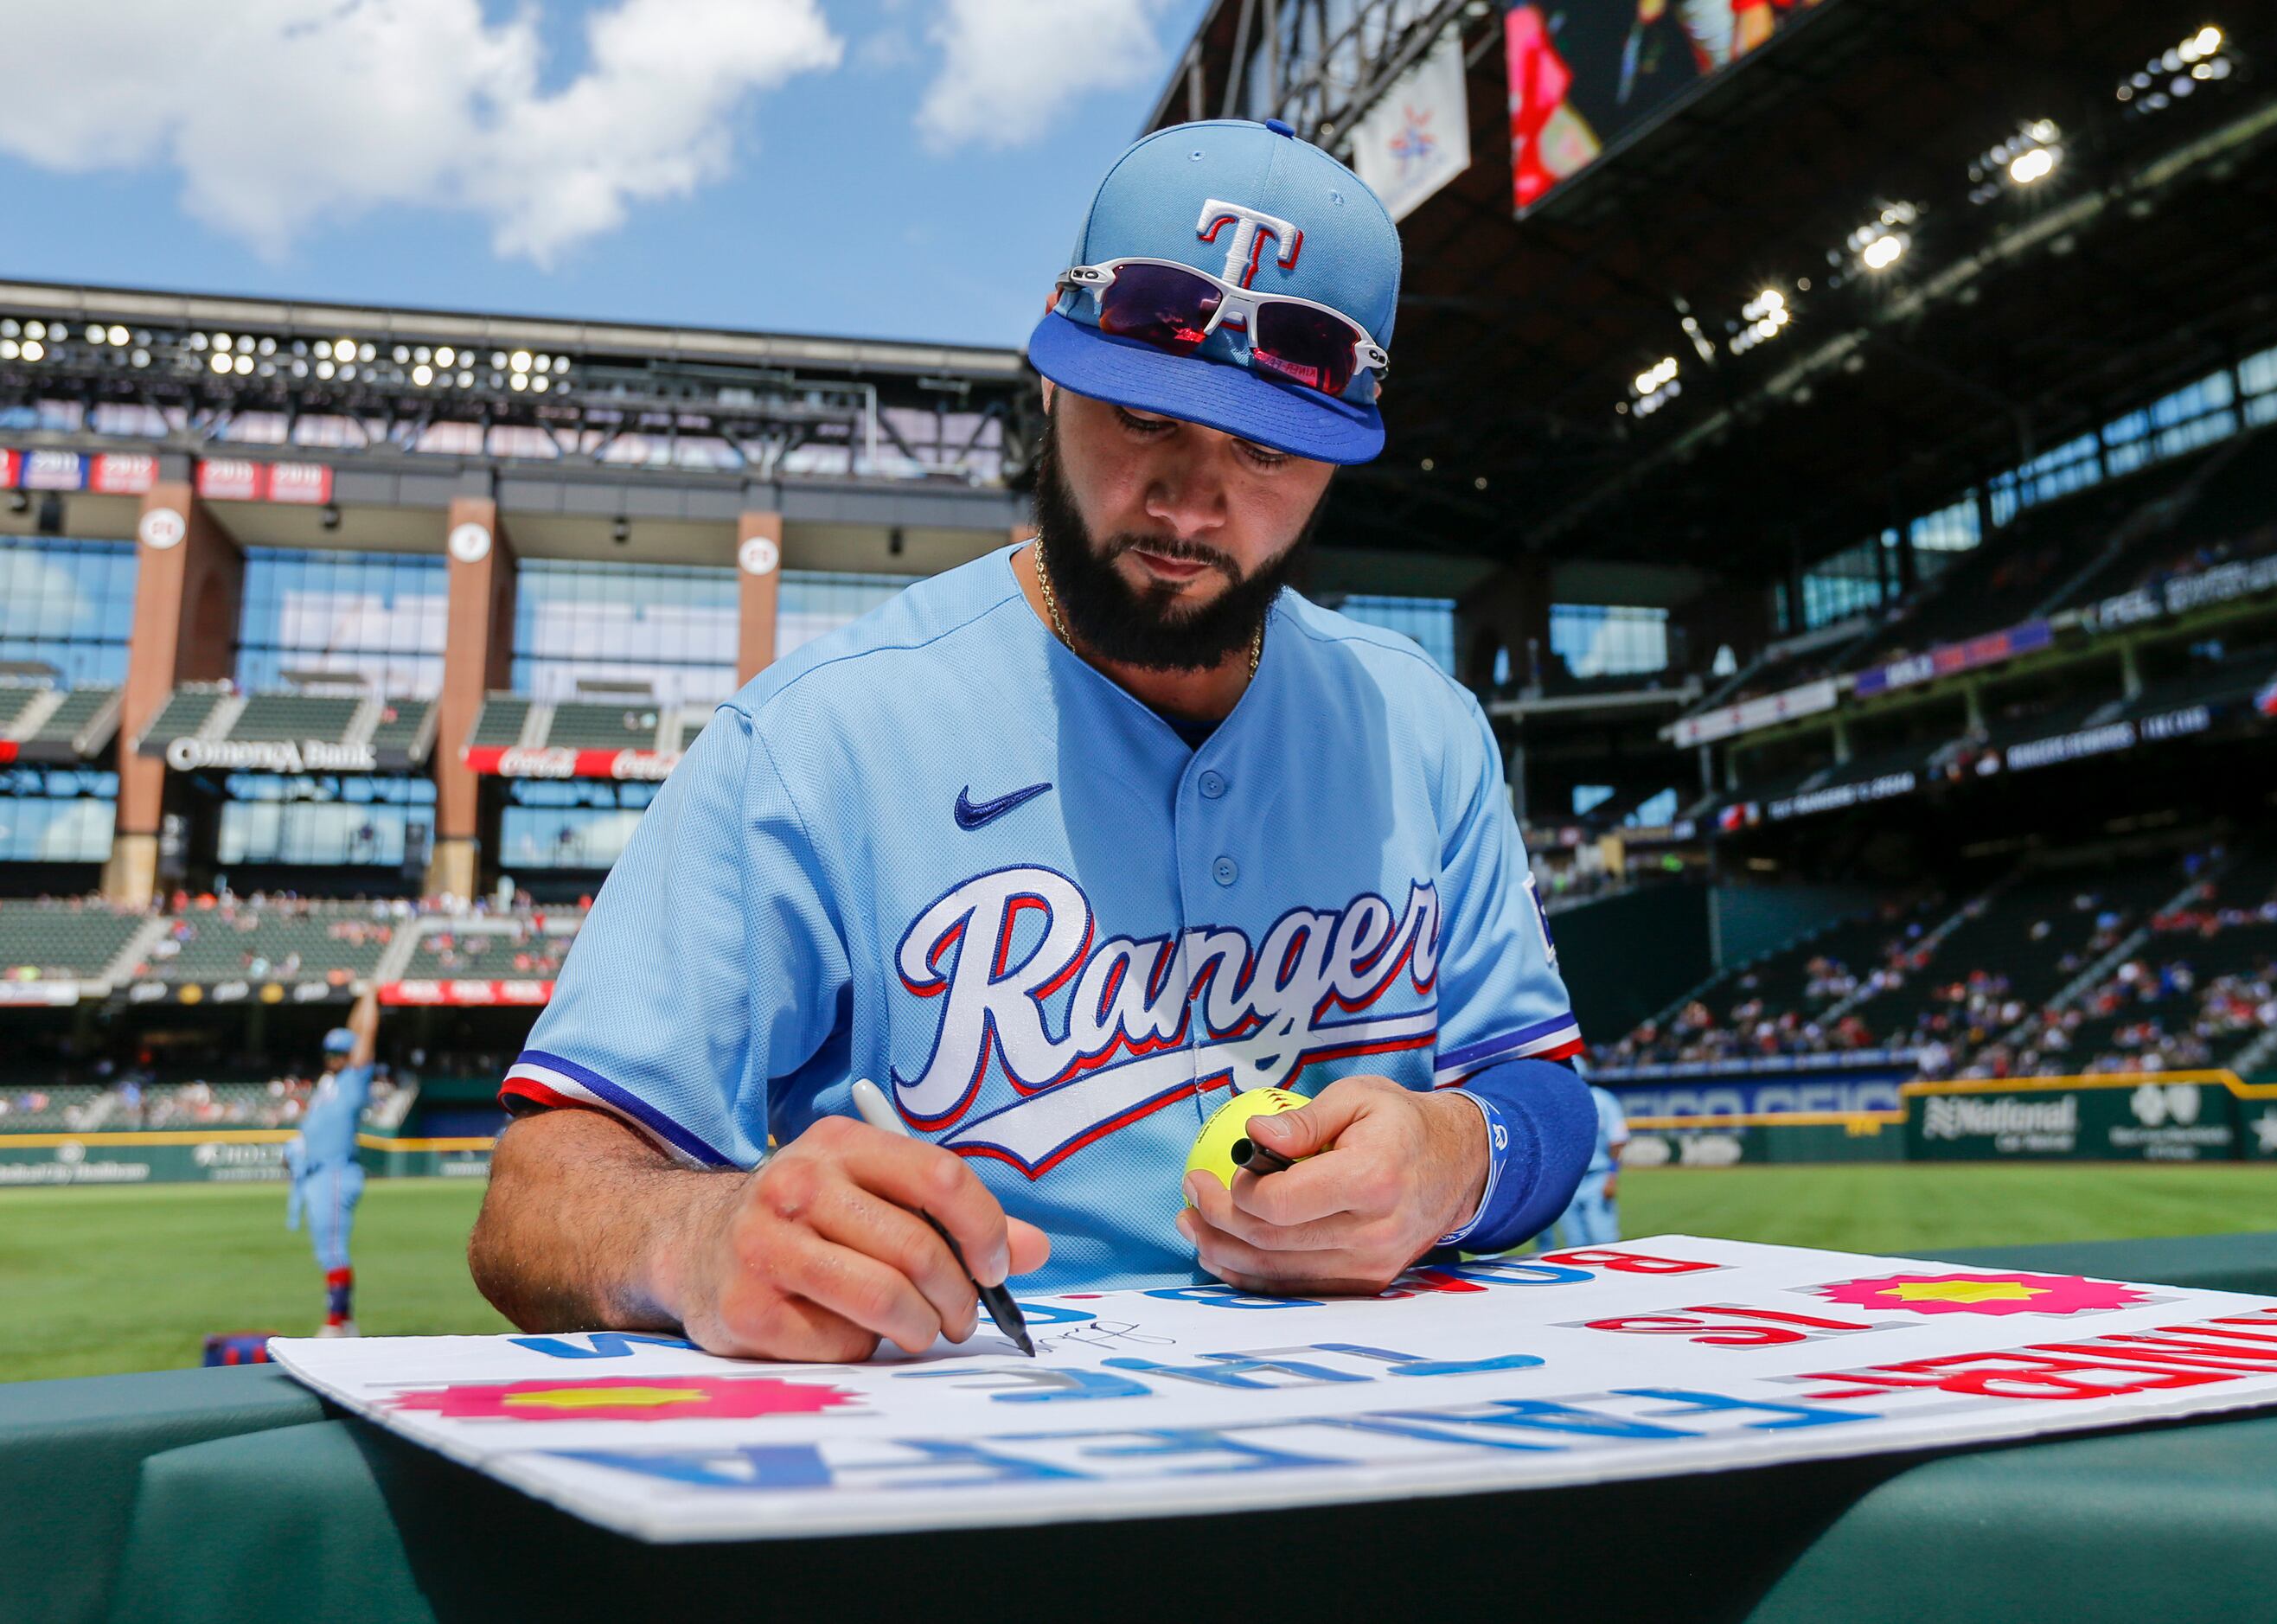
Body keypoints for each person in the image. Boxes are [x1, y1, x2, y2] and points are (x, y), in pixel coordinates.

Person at [469, 117, 1597, 1363]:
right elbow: (535, 1194)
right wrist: (690, 1233)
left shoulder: (1418, 722)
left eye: (1265, 446)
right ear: (1053, 378)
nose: (1187, 496)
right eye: (1143, 415)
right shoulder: (817, 737)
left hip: (1379, 1451)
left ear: (1337, 461)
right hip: (985, 1472)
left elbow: (1537, 1089)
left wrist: (1458, 1160)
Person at [286, 988, 381, 1337]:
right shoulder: (331, 1082)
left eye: (341, 1052)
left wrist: (371, 994)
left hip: (336, 1172)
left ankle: (337, 1322)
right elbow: (353, 1031)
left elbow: (365, 1034)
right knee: (324, 1250)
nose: (335, 1057)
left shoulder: (354, 1080)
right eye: (331, 1052)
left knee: (333, 1249)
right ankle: (344, 1322)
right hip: (314, 1175)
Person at [1553, 1082, 1628, 1249]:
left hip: (1597, 1176)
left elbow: (1617, 1141)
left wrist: (1612, 1176)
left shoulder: (1602, 1099)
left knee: (1604, 1241)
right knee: (1574, 1244)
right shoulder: (1557, 1100)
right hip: (1567, 1181)